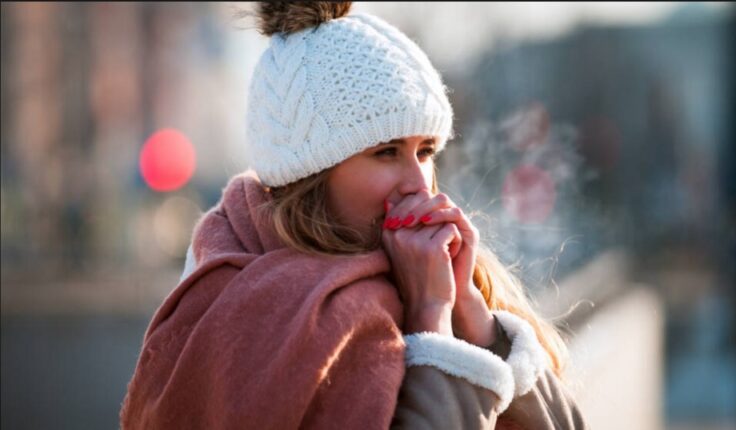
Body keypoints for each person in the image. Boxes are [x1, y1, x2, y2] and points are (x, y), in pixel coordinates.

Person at [120, 2, 589, 429]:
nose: (418, 183)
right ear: (311, 176)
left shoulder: (448, 276)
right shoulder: (248, 306)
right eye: (386, 152)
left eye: (425, 151)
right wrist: (431, 322)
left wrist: (472, 315)